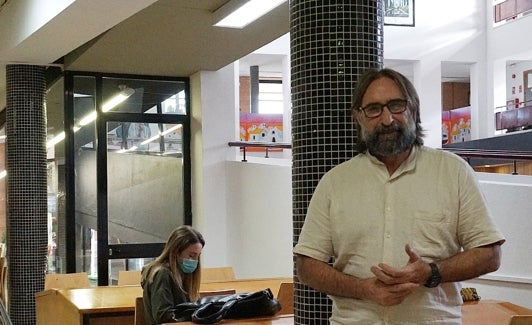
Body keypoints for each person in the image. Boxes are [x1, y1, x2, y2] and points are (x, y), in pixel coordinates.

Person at [293, 68, 505, 324]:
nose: (387, 119)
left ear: (413, 109)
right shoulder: (335, 183)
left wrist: (431, 272)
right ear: (358, 117)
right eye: (373, 109)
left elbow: (489, 254)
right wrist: (364, 289)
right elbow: (307, 266)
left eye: (396, 105)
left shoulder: (452, 171)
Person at [141, 225, 205, 324]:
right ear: (176, 252)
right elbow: (163, 315)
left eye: (197, 256)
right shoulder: (162, 274)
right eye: (191, 255)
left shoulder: (183, 274)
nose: (195, 261)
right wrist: (195, 314)